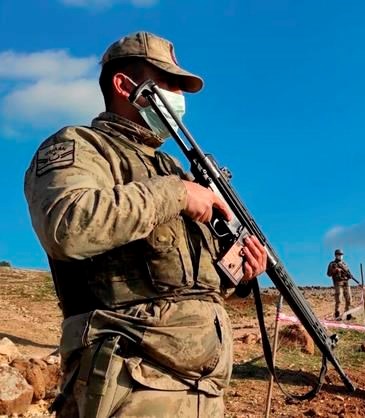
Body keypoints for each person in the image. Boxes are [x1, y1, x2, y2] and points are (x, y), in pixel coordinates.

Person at [23, 31, 267, 418]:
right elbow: (67, 226)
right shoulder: (80, 146)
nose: (179, 98)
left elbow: (188, 281)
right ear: (124, 85)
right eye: (168, 83)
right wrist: (178, 195)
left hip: (203, 390)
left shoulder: (171, 169)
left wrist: (241, 272)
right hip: (128, 384)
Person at [326, 249, 354, 320]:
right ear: (336, 255)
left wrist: (350, 276)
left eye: (341, 255)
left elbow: (348, 272)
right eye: (339, 255)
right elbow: (328, 274)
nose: (340, 256)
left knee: (349, 299)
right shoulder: (332, 264)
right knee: (339, 299)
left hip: (346, 283)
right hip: (338, 283)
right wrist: (335, 270)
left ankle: (348, 314)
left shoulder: (344, 264)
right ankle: (337, 314)